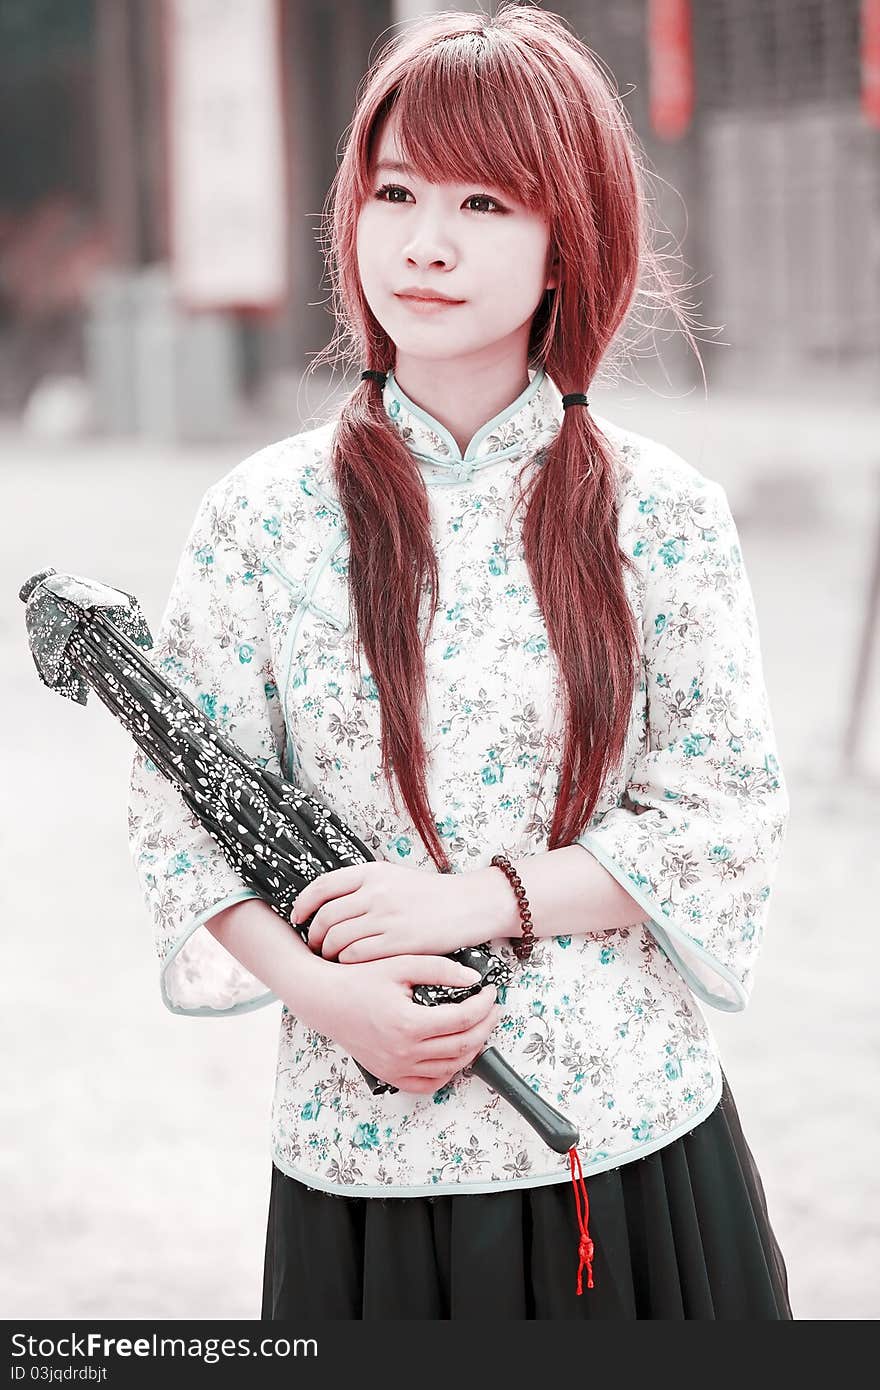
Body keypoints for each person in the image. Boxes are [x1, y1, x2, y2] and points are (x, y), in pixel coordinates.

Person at [127, 4, 793, 1320]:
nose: (425, 241)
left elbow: (721, 811)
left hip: (627, 1141)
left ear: (565, 243)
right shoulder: (260, 522)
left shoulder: (660, 515)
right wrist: (331, 993)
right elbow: (179, 822)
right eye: (395, 191)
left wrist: (473, 900)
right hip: (364, 1158)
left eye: (486, 200)